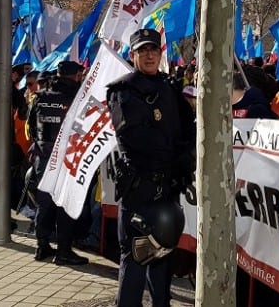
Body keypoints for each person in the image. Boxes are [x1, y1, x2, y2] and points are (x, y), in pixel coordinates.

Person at [107, 28, 195, 307]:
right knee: (135, 259)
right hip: (140, 190)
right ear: (132, 55)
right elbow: (136, 139)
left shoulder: (170, 88)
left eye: (153, 50)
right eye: (142, 50)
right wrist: (175, 153)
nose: (148, 55)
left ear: (160, 53)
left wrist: (186, 155)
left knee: (163, 259)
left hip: (168, 189)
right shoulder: (122, 91)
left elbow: (187, 130)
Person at [27, 61, 89, 266]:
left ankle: (41, 245)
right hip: (65, 160)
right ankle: (63, 250)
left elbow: (32, 128)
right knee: (64, 203)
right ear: (75, 76)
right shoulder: (77, 98)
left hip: (43, 157)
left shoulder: (41, 96)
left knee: (44, 203)